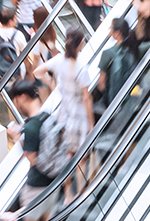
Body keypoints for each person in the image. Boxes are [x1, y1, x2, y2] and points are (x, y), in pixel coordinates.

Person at [9, 80, 63, 221]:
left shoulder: (30, 127)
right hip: (53, 181)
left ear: (22, 97)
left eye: (16, 100)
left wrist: (16, 138)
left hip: (36, 185)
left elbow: (32, 159)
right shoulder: (47, 117)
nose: (17, 105)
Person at [34, 29, 94, 204]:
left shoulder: (59, 59)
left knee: (65, 154)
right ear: (80, 43)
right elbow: (86, 97)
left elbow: (38, 71)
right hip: (78, 114)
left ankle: (68, 195)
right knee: (81, 156)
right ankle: (81, 192)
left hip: (63, 112)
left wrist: (52, 84)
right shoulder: (81, 66)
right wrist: (91, 122)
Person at [97, 18, 140, 114]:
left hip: (115, 103)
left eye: (111, 28)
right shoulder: (133, 49)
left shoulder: (107, 54)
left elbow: (101, 83)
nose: (109, 30)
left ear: (117, 34)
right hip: (132, 100)